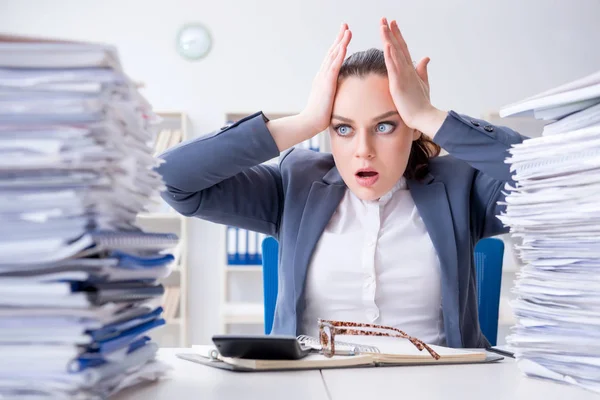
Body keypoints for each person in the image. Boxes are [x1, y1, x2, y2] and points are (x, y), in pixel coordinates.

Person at [156, 18, 527, 348]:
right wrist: (303, 122)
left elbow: (545, 175)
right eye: (343, 128)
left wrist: (427, 114)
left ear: (412, 127)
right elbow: (172, 178)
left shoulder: (460, 188)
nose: (363, 151)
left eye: (385, 126)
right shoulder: (296, 184)